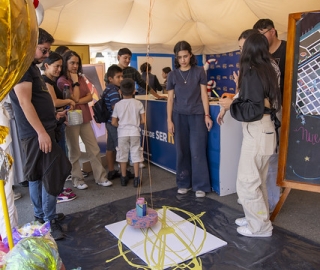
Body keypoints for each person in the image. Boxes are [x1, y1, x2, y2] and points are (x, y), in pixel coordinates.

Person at [9, 28, 72, 240]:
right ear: (29, 45)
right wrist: (42, 132)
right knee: (52, 173)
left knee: (37, 175)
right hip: (37, 134)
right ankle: (48, 218)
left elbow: (35, 101)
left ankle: (41, 215)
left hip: (41, 129)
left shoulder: (30, 68)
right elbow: (25, 103)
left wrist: (52, 117)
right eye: (43, 50)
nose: (46, 55)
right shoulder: (24, 69)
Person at [227, 33, 281, 237]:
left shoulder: (251, 71)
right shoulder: (269, 69)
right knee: (258, 180)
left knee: (247, 183)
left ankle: (260, 227)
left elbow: (253, 108)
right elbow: (268, 104)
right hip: (266, 131)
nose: (241, 51)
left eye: (242, 48)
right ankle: (257, 218)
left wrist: (232, 104)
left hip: (257, 130)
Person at [57, 50, 112, 189]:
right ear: (65, 63)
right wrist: (75, 83)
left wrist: (77, 99)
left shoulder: (81, 78)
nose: (75, 66)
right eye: (72, 63)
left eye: (77, 63)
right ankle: (77, 179)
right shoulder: (62, 80)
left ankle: (100, 177)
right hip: (71, 118)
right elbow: (72, 98)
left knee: (93, 148)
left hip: (85, 116)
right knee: (74, 150)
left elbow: (89, 96)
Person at [166, 40, 213, 198]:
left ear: (190, 55)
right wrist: (169, 120)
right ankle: (183, 182)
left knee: (198, 151)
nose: (183, 60)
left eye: (185, 56)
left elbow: (204, 95)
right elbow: (170, 99)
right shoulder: (172, 75)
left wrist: (207, 115)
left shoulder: (199, 71)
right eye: (180, 57)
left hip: (197, 115)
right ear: (176, 58)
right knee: (182, 150)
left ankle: (200, 185)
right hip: (179, 116)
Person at [42, 52, 77, 203]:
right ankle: (57, 193)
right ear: (46, 65)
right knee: (57, 161)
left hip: (57, 122)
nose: (58, 70)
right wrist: (69, 100)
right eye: (56, 66)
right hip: (51, 127)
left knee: (61, 157)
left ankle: (60, 189)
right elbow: (54, 102)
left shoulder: (50, 81)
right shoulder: (46, 81)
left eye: (60, 66)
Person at [111, 78, 145, 187]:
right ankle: (136, 178)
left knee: (122, 154)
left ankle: (123, 177)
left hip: (122, 133)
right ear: (134, 91)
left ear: (120, 91)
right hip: (135, 132)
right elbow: (144, 120)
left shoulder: (117, 105)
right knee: (135, 154)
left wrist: (121, 126)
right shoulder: (139, 103)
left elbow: (113, 122)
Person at [253, 19, 286, 101]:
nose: (259, 39)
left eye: (261, 34)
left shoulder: (289, 49)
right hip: (268, 103)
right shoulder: (259, 54)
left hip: (286, 102)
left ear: (272, 32)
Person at [103, 65, 123, 180]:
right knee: (120, 146)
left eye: (122, 76)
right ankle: (123, 171)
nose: (121, 79)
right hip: (115, 123)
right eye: (118, 77)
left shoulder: (108, 88)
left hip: (109, 122)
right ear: (110, 78)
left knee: (110, 147)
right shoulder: (114, 91)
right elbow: (116, 107)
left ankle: (111, 170)